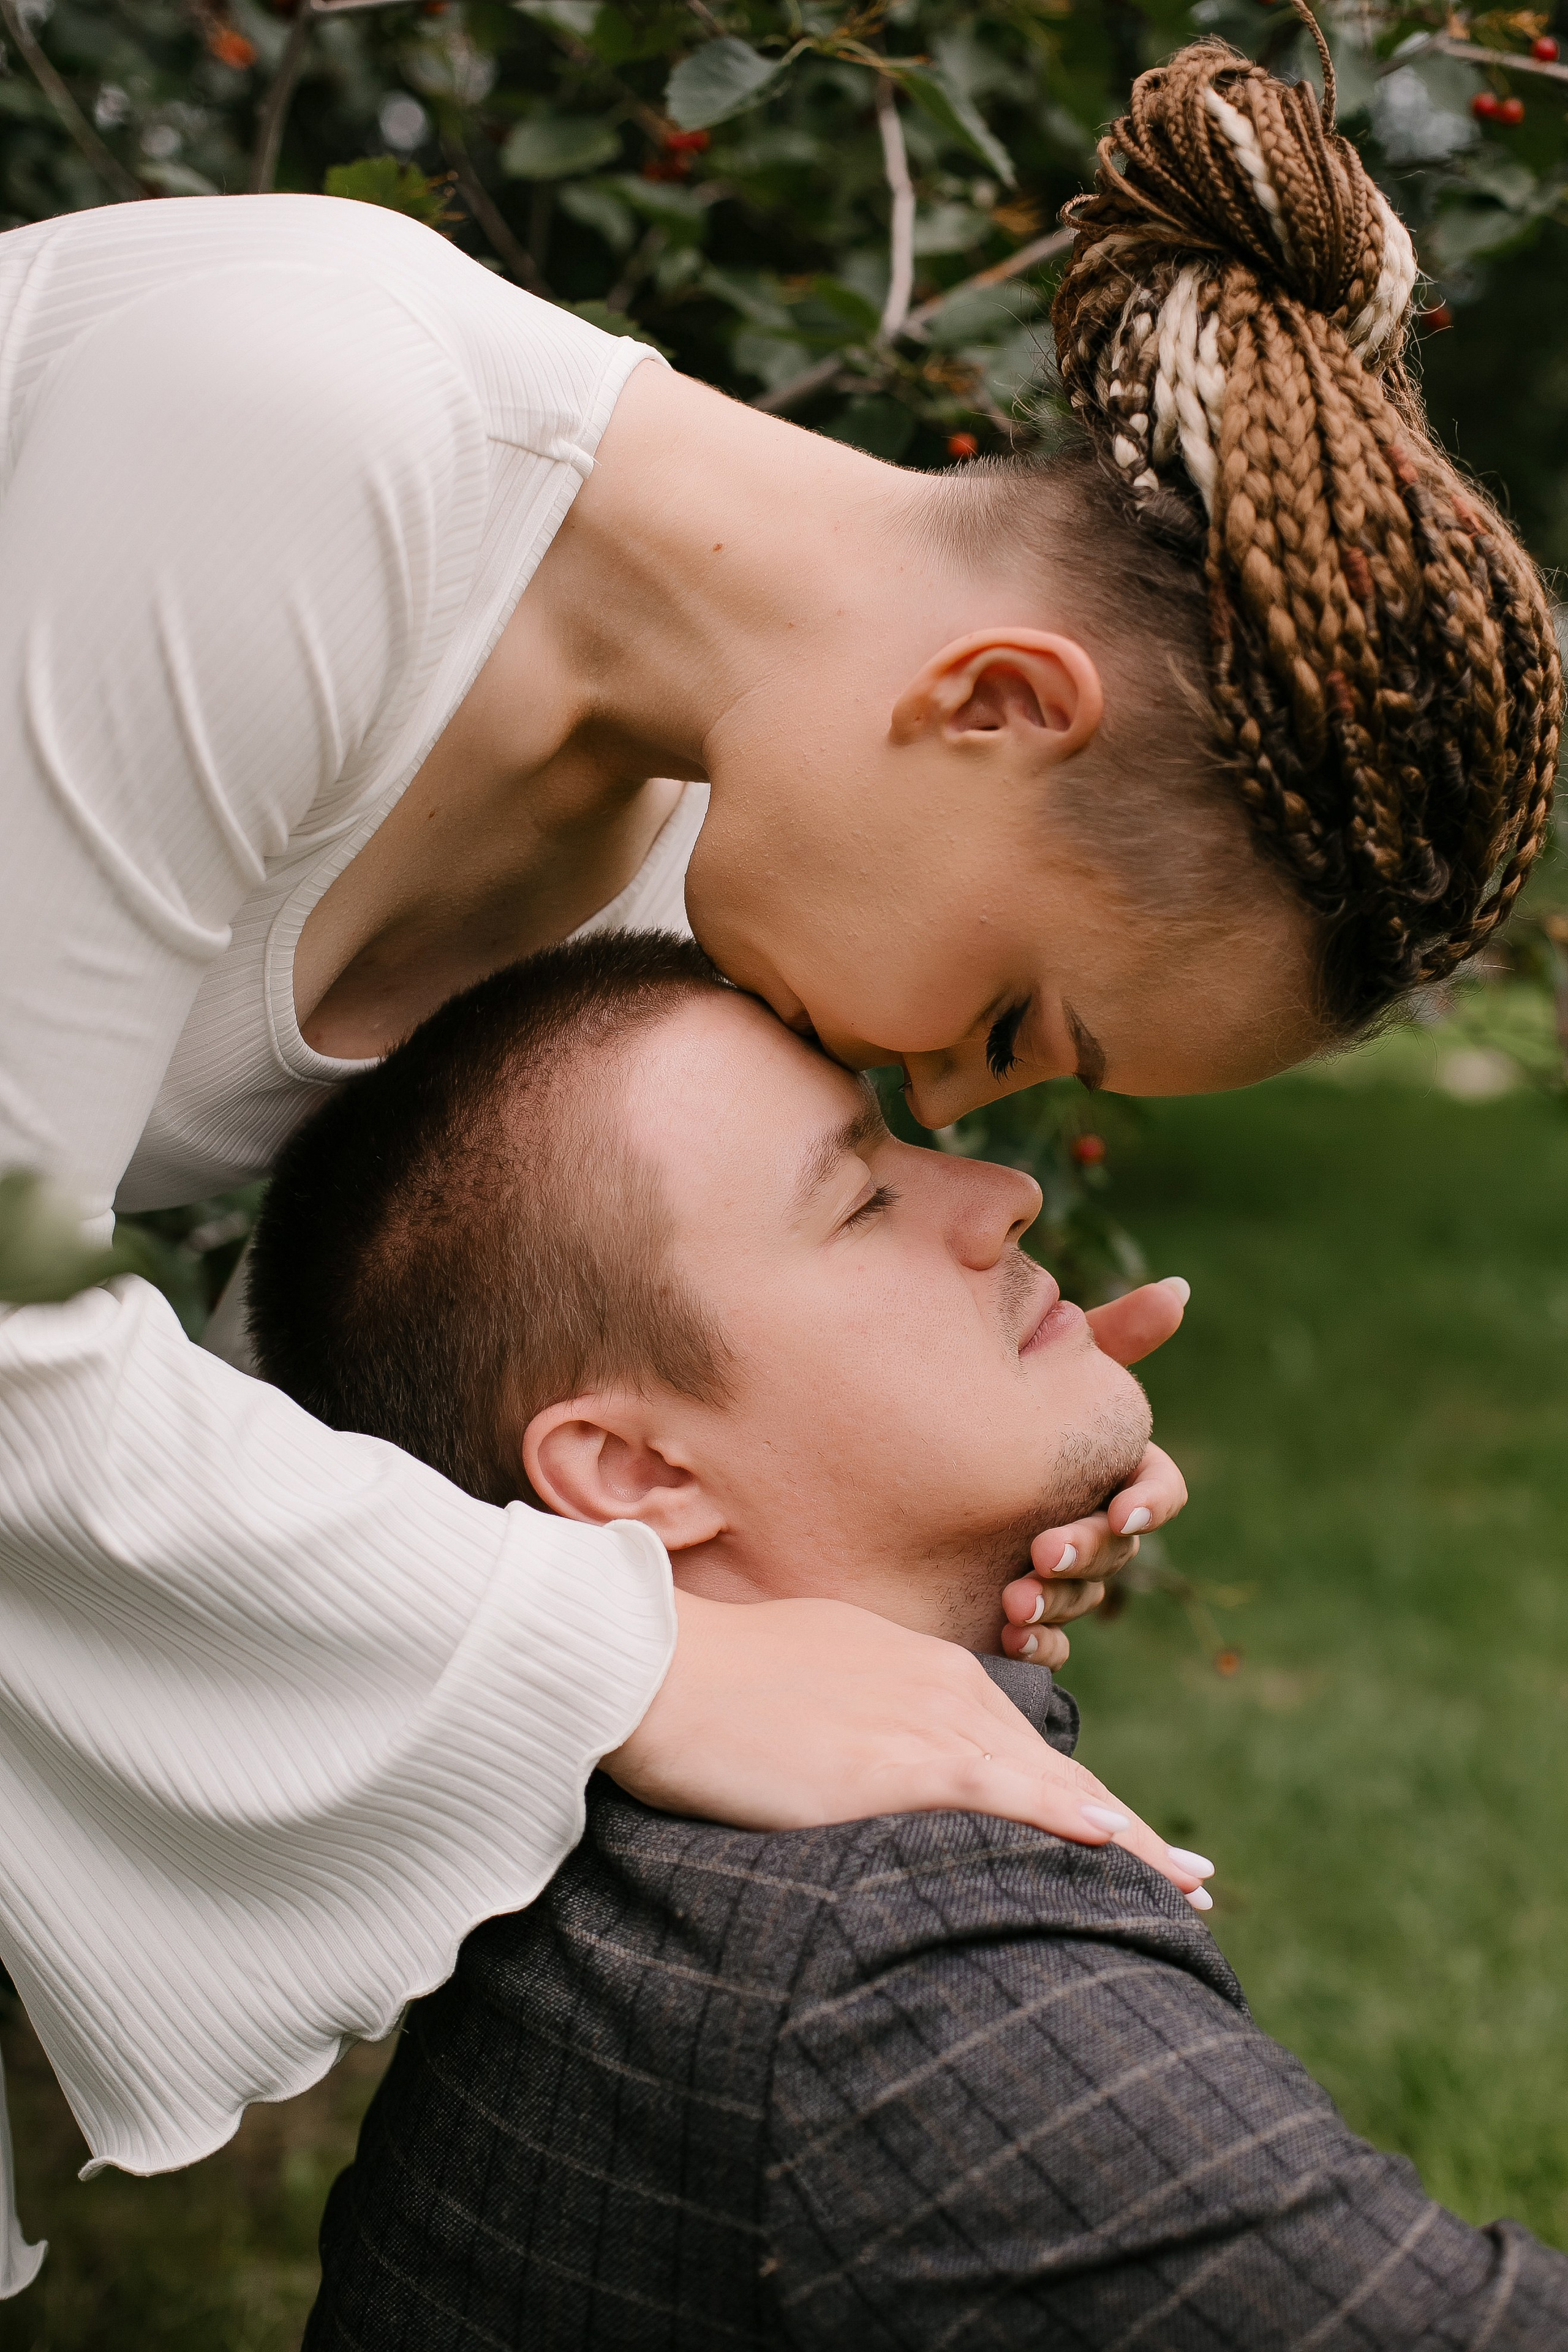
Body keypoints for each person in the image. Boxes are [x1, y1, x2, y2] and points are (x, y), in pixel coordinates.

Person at [0, 18, 1557, 2292]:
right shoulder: (294, 430)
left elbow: (412, 1411)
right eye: (1028, 1022)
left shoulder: (661, 853)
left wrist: (885, 1521)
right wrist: (635, 1666)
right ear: (999, 704)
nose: (979, 1114)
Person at [246, 932, 1568, 2349]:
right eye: (860, 1198)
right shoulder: (889, 1962)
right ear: (635, 1473)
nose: (1006, 1192)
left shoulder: (633, 1852)